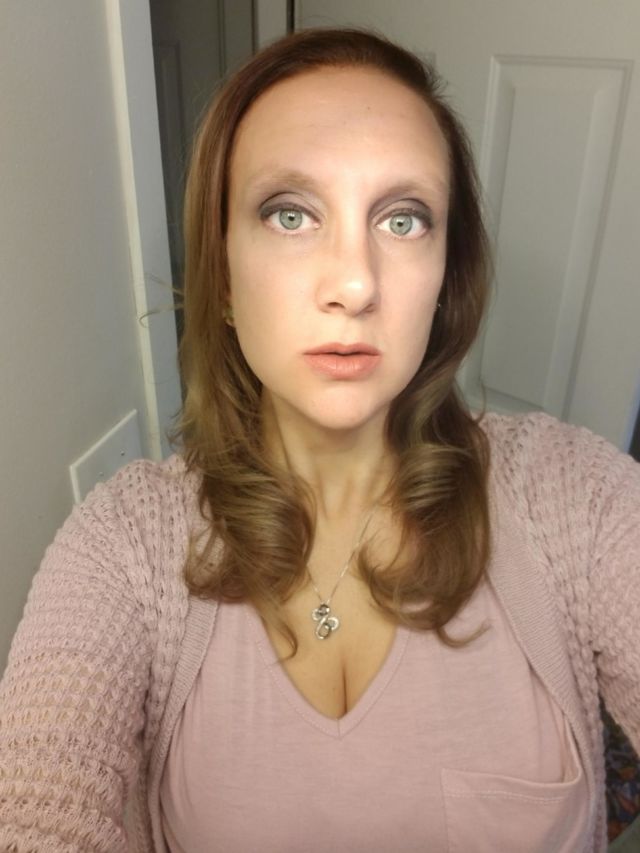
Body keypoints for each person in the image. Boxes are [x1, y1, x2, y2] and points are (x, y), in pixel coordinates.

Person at [0, 27, 638, 853]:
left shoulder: (574, 496)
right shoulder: (124, 544)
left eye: (403, 219)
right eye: (290, 213)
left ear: (446, 279)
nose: (355, 283)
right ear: (224, 280)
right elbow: (38, 810)